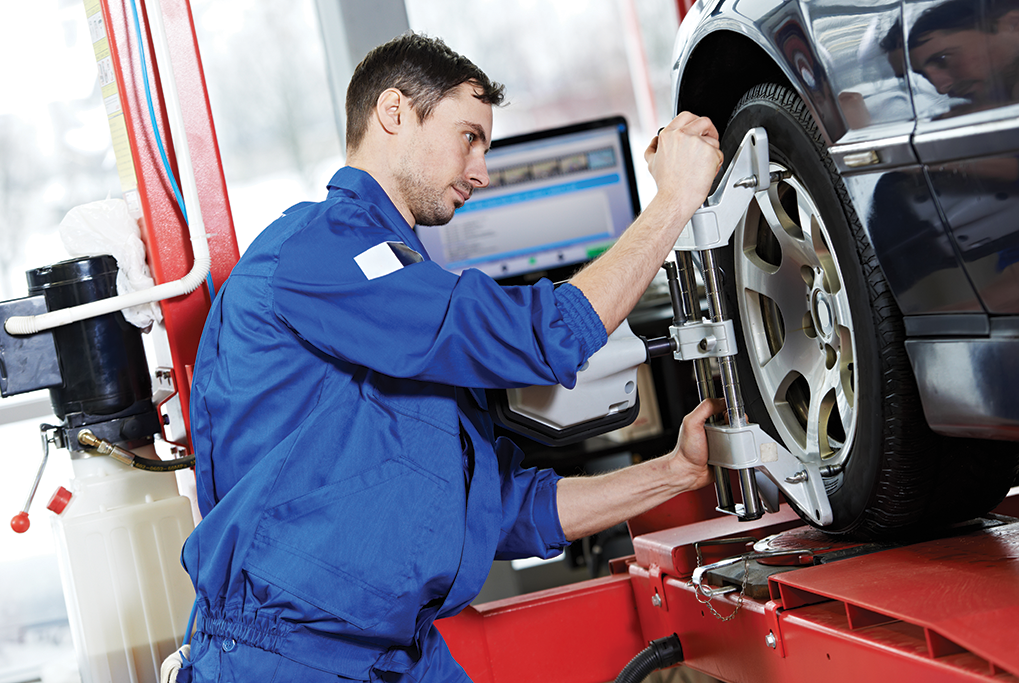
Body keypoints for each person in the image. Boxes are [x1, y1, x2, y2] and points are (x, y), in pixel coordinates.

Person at [178, 32, 724, 682]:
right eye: (469, 137)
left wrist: (674, 472)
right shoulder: (319, 252)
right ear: (394, 113)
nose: (481, 172)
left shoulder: (400, 279)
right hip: (288, 657)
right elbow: (541, 338)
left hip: (397, 653)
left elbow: (501, 509)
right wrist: (673, 201)